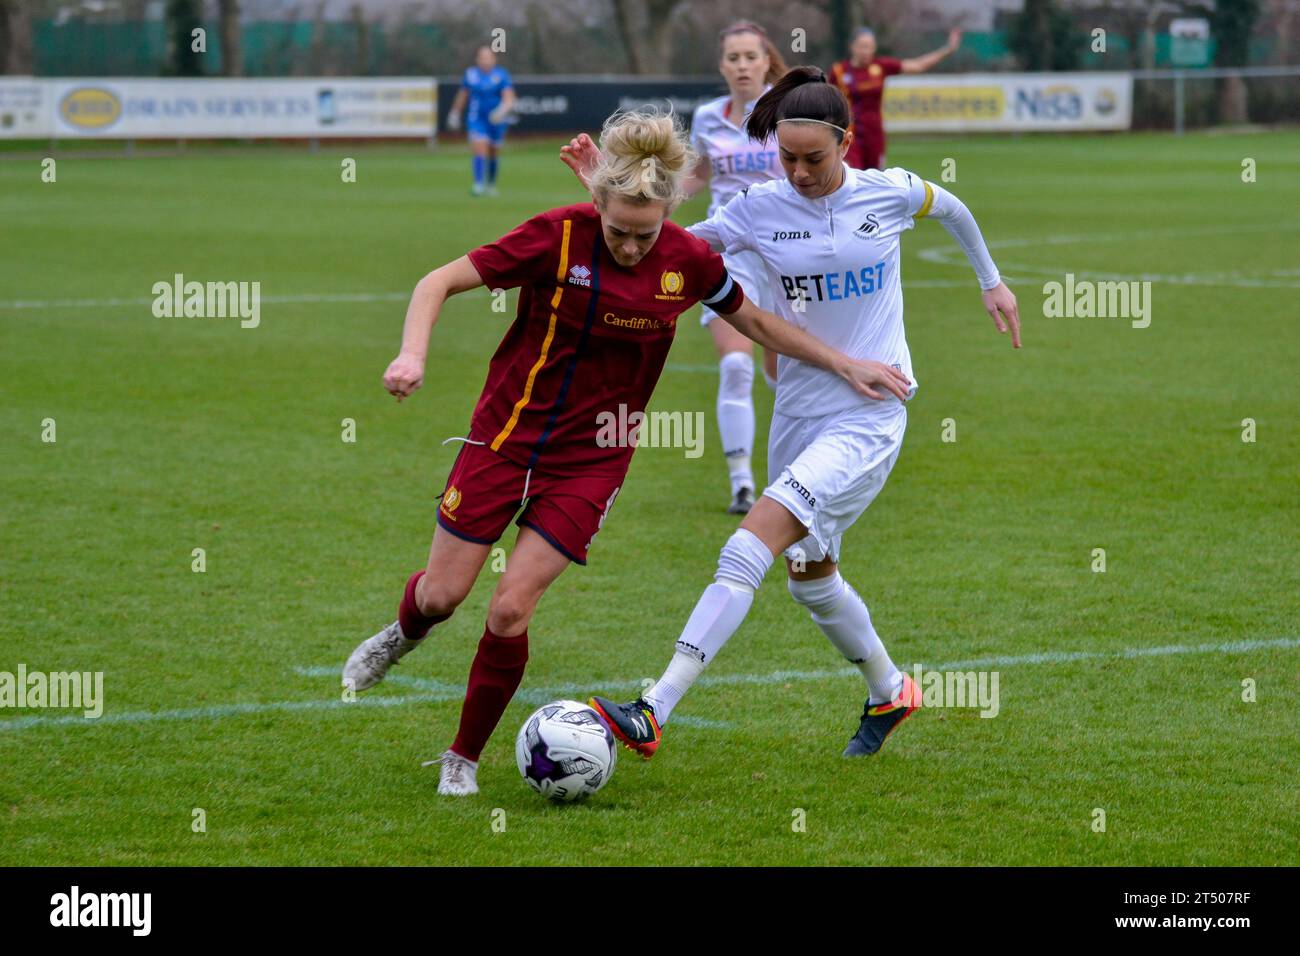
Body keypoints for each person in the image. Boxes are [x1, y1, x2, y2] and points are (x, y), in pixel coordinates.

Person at [342, 107, 911, 797]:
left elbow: (757, 322)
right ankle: (403, 632)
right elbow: (438, 281)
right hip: (504, 438)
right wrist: (411, 354)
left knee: (509, 610)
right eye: (618, 231)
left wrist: (846, 363)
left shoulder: (689, 260)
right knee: (442, 595)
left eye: (646, 233)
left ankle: (462, 759)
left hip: (593, 459)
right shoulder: (554, 237)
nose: (633, 247)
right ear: (597, 203)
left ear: (670, 212)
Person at [565, 68, 1020, 761]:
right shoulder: (757, 210)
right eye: (788, 158)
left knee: (748, 543)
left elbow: (952, 208)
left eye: (815, 157)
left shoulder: (888, 193)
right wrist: (606, 190)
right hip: (798, 414)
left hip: (871, 413)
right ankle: (891, 689)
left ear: (845, 142)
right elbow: (672, 247)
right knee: (811, 578)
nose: (800, 172)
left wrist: (991, 281)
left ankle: (654, 707)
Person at [684, 21, 788, 514]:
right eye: (734, 58)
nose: (743, 65)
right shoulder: (706, 117)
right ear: (722, 65)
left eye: (752, 56)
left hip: (788, 255)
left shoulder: (788, 108)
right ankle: (743, 484)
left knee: (784, 370)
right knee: (734, 366)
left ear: (767, 60)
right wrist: (642, 206)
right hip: (728, 254)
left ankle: (800, 465)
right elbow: (698, 176)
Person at [830, 27, 962, 170]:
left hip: (874, 134)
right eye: (862, 46)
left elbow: (917, 65)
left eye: (869, 47)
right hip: (850, 134)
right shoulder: (839, 71)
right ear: (852, 47)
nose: (865, 51)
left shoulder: (880, 66)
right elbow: (828, 102)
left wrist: (948, 49)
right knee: (853, 179)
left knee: (876, 179)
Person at [447, 46, 516, 196]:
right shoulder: (470, 74)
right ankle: (478, 184)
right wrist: (455, 112)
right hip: (476, 119)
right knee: (480, 149)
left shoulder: (501, 75)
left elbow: (509, 98)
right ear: (477, 59)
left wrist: (501, 111)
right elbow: (463, 95)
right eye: (482, 58)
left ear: (494, 59)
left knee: (493, 153)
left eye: (488, 57)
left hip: (497, 121)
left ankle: (491, 184)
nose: (485, 61)